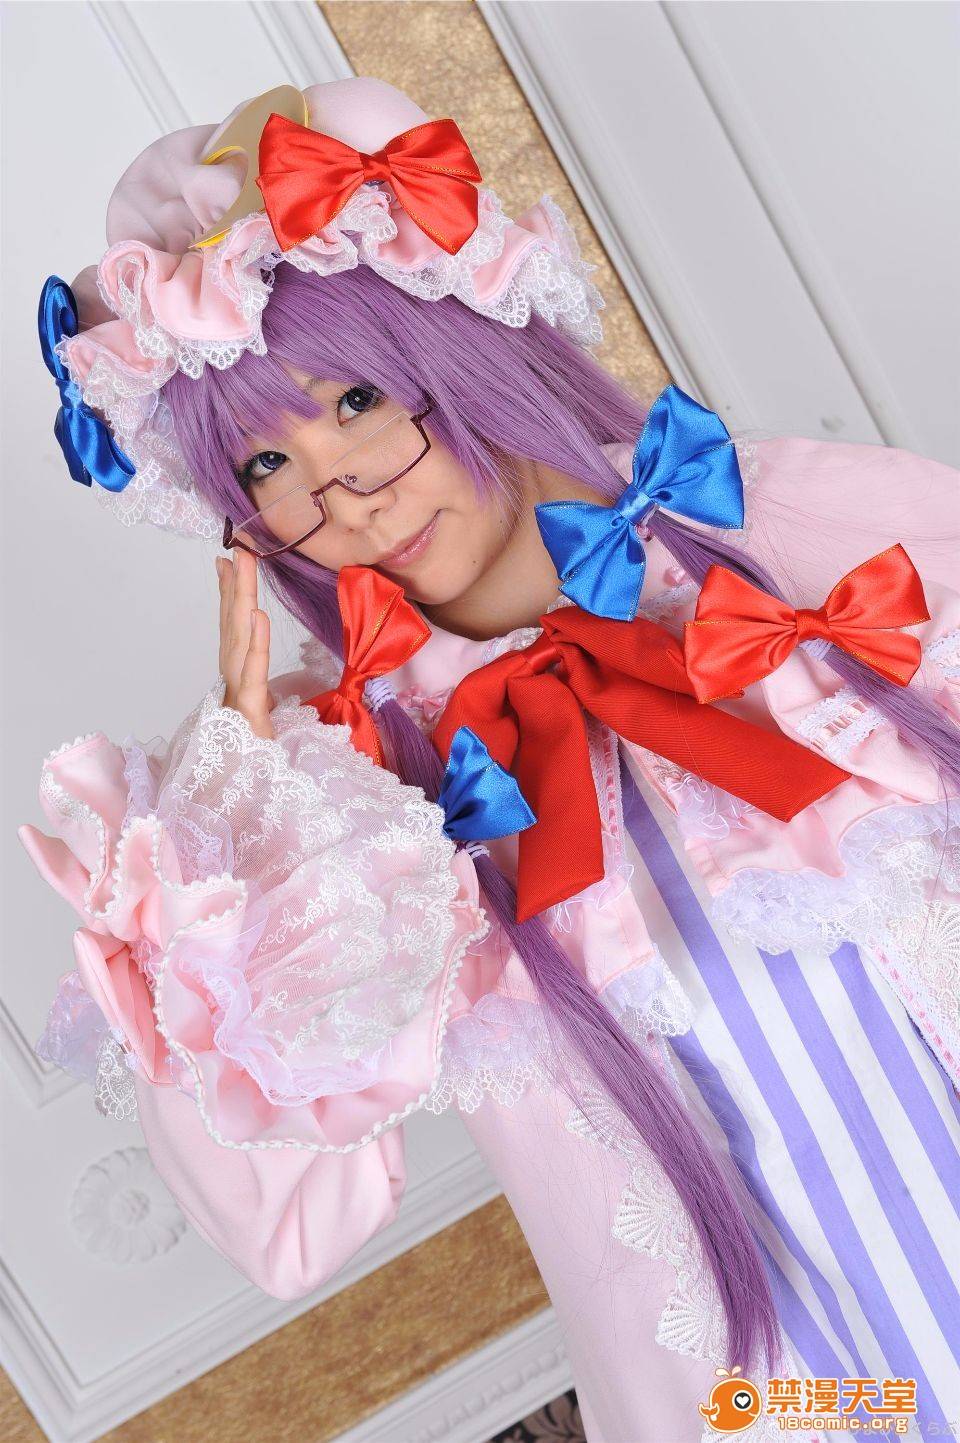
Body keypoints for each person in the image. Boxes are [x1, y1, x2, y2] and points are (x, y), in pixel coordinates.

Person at [19, 76, 960, 1442]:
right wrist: (243, 820)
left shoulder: (773, 533)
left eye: (356, 398)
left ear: (457, 340)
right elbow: (286, 1222)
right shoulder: (343, 794)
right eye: (266, 468)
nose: (342, 495)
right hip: (800, 1407)